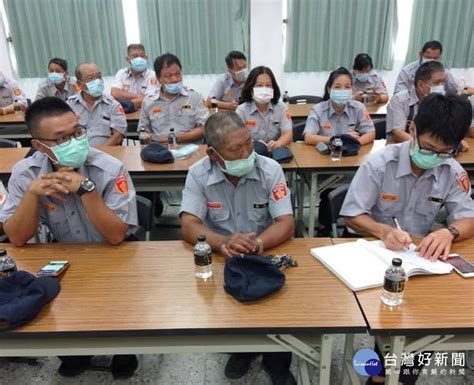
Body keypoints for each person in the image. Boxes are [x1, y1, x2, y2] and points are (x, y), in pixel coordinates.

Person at [0, 96, 139, 377]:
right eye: (61, 138)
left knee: (120, 305)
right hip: (62, 252)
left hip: (114, 252)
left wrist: (86, 189)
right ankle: (74, 352)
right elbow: (16, 238)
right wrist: (31, 195)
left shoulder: (109, 168)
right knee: (55, 301)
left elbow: (115, 236)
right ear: (38, 145)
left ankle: (125, 351)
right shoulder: (24, 173)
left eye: (77, 132)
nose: (74, 141)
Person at [341, 93, 474, 385]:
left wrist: (447, 231)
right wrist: (383, 231)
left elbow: (468, 218)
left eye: (445, 152)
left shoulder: (452, 172)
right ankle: (377, 376)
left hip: (420, 259)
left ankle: (404, 376)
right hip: (375, 255)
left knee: (424, 321)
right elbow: (351, 215)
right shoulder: (379, 164)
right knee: (387, 317)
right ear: (412, 129)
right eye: (428, 148)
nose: (434, 158)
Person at [180, 111, 295, 385]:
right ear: (213, 153)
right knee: (229, 307)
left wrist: (258, 242)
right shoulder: (198, 174)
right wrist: (222, 243)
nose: (247, 152)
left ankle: (277, 363)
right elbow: (188, 224)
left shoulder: (270, 169)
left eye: (248, 142)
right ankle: (243, 350)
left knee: (276, 306)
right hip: (222, 258)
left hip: (264, 252)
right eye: (235, 149)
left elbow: (286, 222)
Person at [387, 61, 469, 151]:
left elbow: (444, 130)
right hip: (402, 148)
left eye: (443, 82)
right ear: (421, 85)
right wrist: (426, 147)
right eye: (437, 83)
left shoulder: (442, 101)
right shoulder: (400, 100)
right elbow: (398, 133)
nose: (441, 86)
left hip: (432, 151)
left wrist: (453, 144)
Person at [138, 53, 208, 144]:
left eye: (178, 74)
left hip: (190, 150)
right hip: (160, 151)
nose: (175, 79)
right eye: (169, 76)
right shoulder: (149, 101)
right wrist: (147, 137)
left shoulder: (194, 97)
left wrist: (176, 138)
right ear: (158, 79)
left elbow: (205, 128)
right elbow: (143, 131)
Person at [303, 67, 375, 146]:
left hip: (350, 154)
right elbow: (308, 137)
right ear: (329, 90)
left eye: (347, 87)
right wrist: (339, 139)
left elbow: (370, 133)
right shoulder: (317, 110)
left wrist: (354, 144)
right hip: (326, 155)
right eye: (337, 87)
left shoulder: (359, 108)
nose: (342, 90)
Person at [67, 62, 127, 146]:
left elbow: (118, 136)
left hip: (107, 153)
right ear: (80, 84)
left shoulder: (112, 104)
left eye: (99, 77)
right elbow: (65, 134)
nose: (97, 81)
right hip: (78, 153)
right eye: (91, 78)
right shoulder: (70, 105)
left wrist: (98, 153)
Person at [235, 66, 292, 150]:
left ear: (273, 88)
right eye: (259, 85)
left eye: (268, 85)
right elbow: (238, 138)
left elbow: (287, 133)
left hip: (276, 151)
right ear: (251, 89)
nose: (264, 89)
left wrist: (278, 143)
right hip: (251, 152)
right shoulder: (241, 111)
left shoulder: (281, 108)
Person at [394, 40, 473, 95]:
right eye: (428, 57)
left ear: (439, 58)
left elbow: (458, 89)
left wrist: (467, 90)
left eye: (435, 58)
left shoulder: (443, 72)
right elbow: (398, 94)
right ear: (421, 54)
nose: (431, 61)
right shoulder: (407, 71)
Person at [111, 43, 158, 109]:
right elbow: (115, 93)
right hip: (125, 115)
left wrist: (125, 103)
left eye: (142, 56)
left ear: (146, 58)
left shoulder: (153, 75)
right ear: (127, 59)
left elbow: (149, 100)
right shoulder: (121, 73)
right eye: (135, 56)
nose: (139, 59)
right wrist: (140, 97)